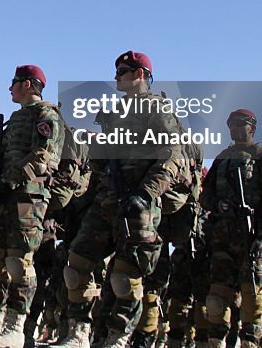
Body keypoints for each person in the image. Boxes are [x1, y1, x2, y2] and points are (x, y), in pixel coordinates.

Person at [56, 51, 185, 348]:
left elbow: (171, 155)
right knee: (76, 266)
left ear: (140, 74)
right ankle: (78, 332)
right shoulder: (113, 113)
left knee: (125, 280)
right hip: (106, 200)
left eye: (123, 71)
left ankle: (117, 338)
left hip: (138, 204)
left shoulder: (156, 108)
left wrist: (146, 193)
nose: (116, 77)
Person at [0, 64, 64, 348]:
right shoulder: (16, 118)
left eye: (15, 82)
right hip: (6, 195)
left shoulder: (46, 114)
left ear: (29, 84)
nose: (10, 87)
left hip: (27, 197)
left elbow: (43, 156)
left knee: (20, 263)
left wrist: (13, 177)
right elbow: (2, 157)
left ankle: (15, 327)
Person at [200, 109, 262, 348]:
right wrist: (219, 204)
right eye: (233, 124)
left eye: (242, 124)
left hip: (252, 237)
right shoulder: (222, 158)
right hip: (223, 238)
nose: (237, 128)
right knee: (217, 298)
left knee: (254, 297)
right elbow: (205, 195)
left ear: (253, 128)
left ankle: (250, 342)